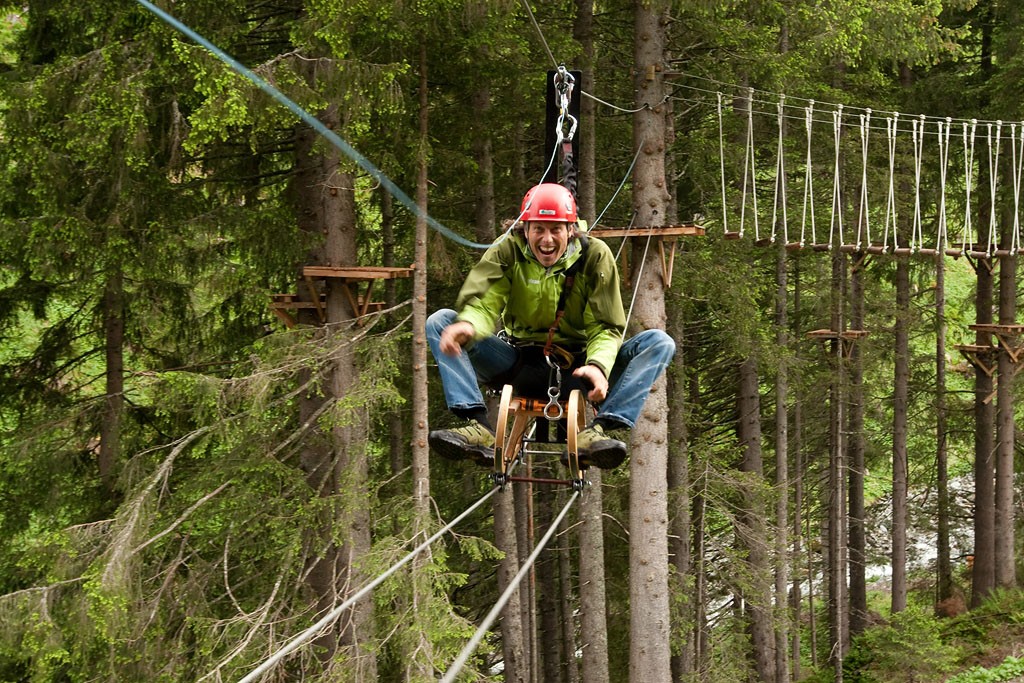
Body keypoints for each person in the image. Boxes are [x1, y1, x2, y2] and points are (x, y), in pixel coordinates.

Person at [426, 182, 675, 469]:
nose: (546, 240)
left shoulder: (594, 256)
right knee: (441, 321)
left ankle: (599, 431)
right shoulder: (508, 249)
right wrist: (468, 325)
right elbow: (484, 299)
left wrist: (598, 366)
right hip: (518, 364)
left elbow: (607, 326)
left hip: (579, 369)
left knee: (659, 342)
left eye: (555, 229)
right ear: (525, 228)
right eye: (538, 229)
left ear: (571, 230)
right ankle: (478, 426)